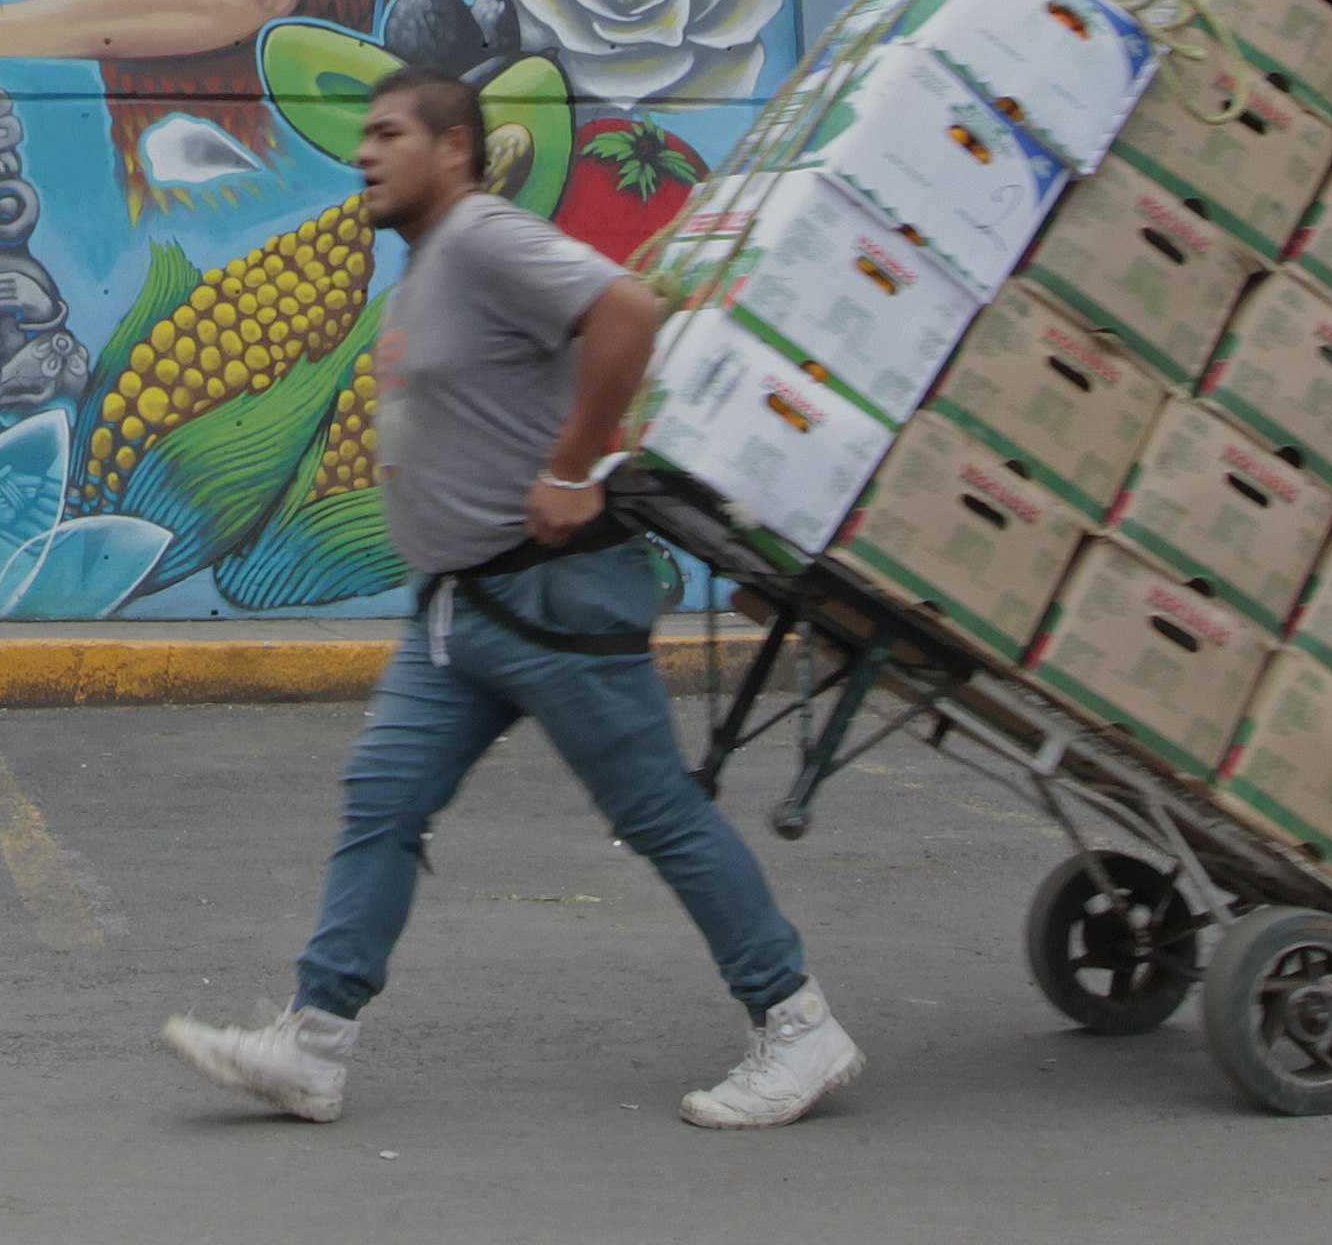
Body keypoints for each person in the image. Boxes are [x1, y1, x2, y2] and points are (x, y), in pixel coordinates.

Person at [159, 68, 863, 1130]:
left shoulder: (486, 237)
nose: (365, 151)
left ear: (453, 149)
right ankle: (314, 1043)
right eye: (364, 135)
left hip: (550, 604)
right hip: (458, 613)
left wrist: (575, 466)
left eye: (389, 132)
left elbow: (627, 310)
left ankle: (798, 1022)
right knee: (384, 801)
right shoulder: (432, 263)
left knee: (657, 813)